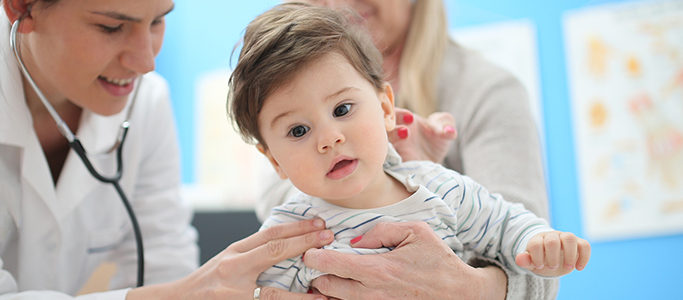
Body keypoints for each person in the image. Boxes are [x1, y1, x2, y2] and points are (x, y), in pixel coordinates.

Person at [0, 0, 340, 299]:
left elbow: (165, 266)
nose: (146, 61)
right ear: (22, 7)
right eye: (112, 27)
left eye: (158, 20)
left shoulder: (145, 103)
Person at [228, 3, 590, 296]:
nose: (328, 138)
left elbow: (506, 226)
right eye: (299, 130)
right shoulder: (289, 232)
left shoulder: (441, 187)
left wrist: (540, 242)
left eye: (342, 110)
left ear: (387, 108)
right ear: (274, 159)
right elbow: (251, 288)